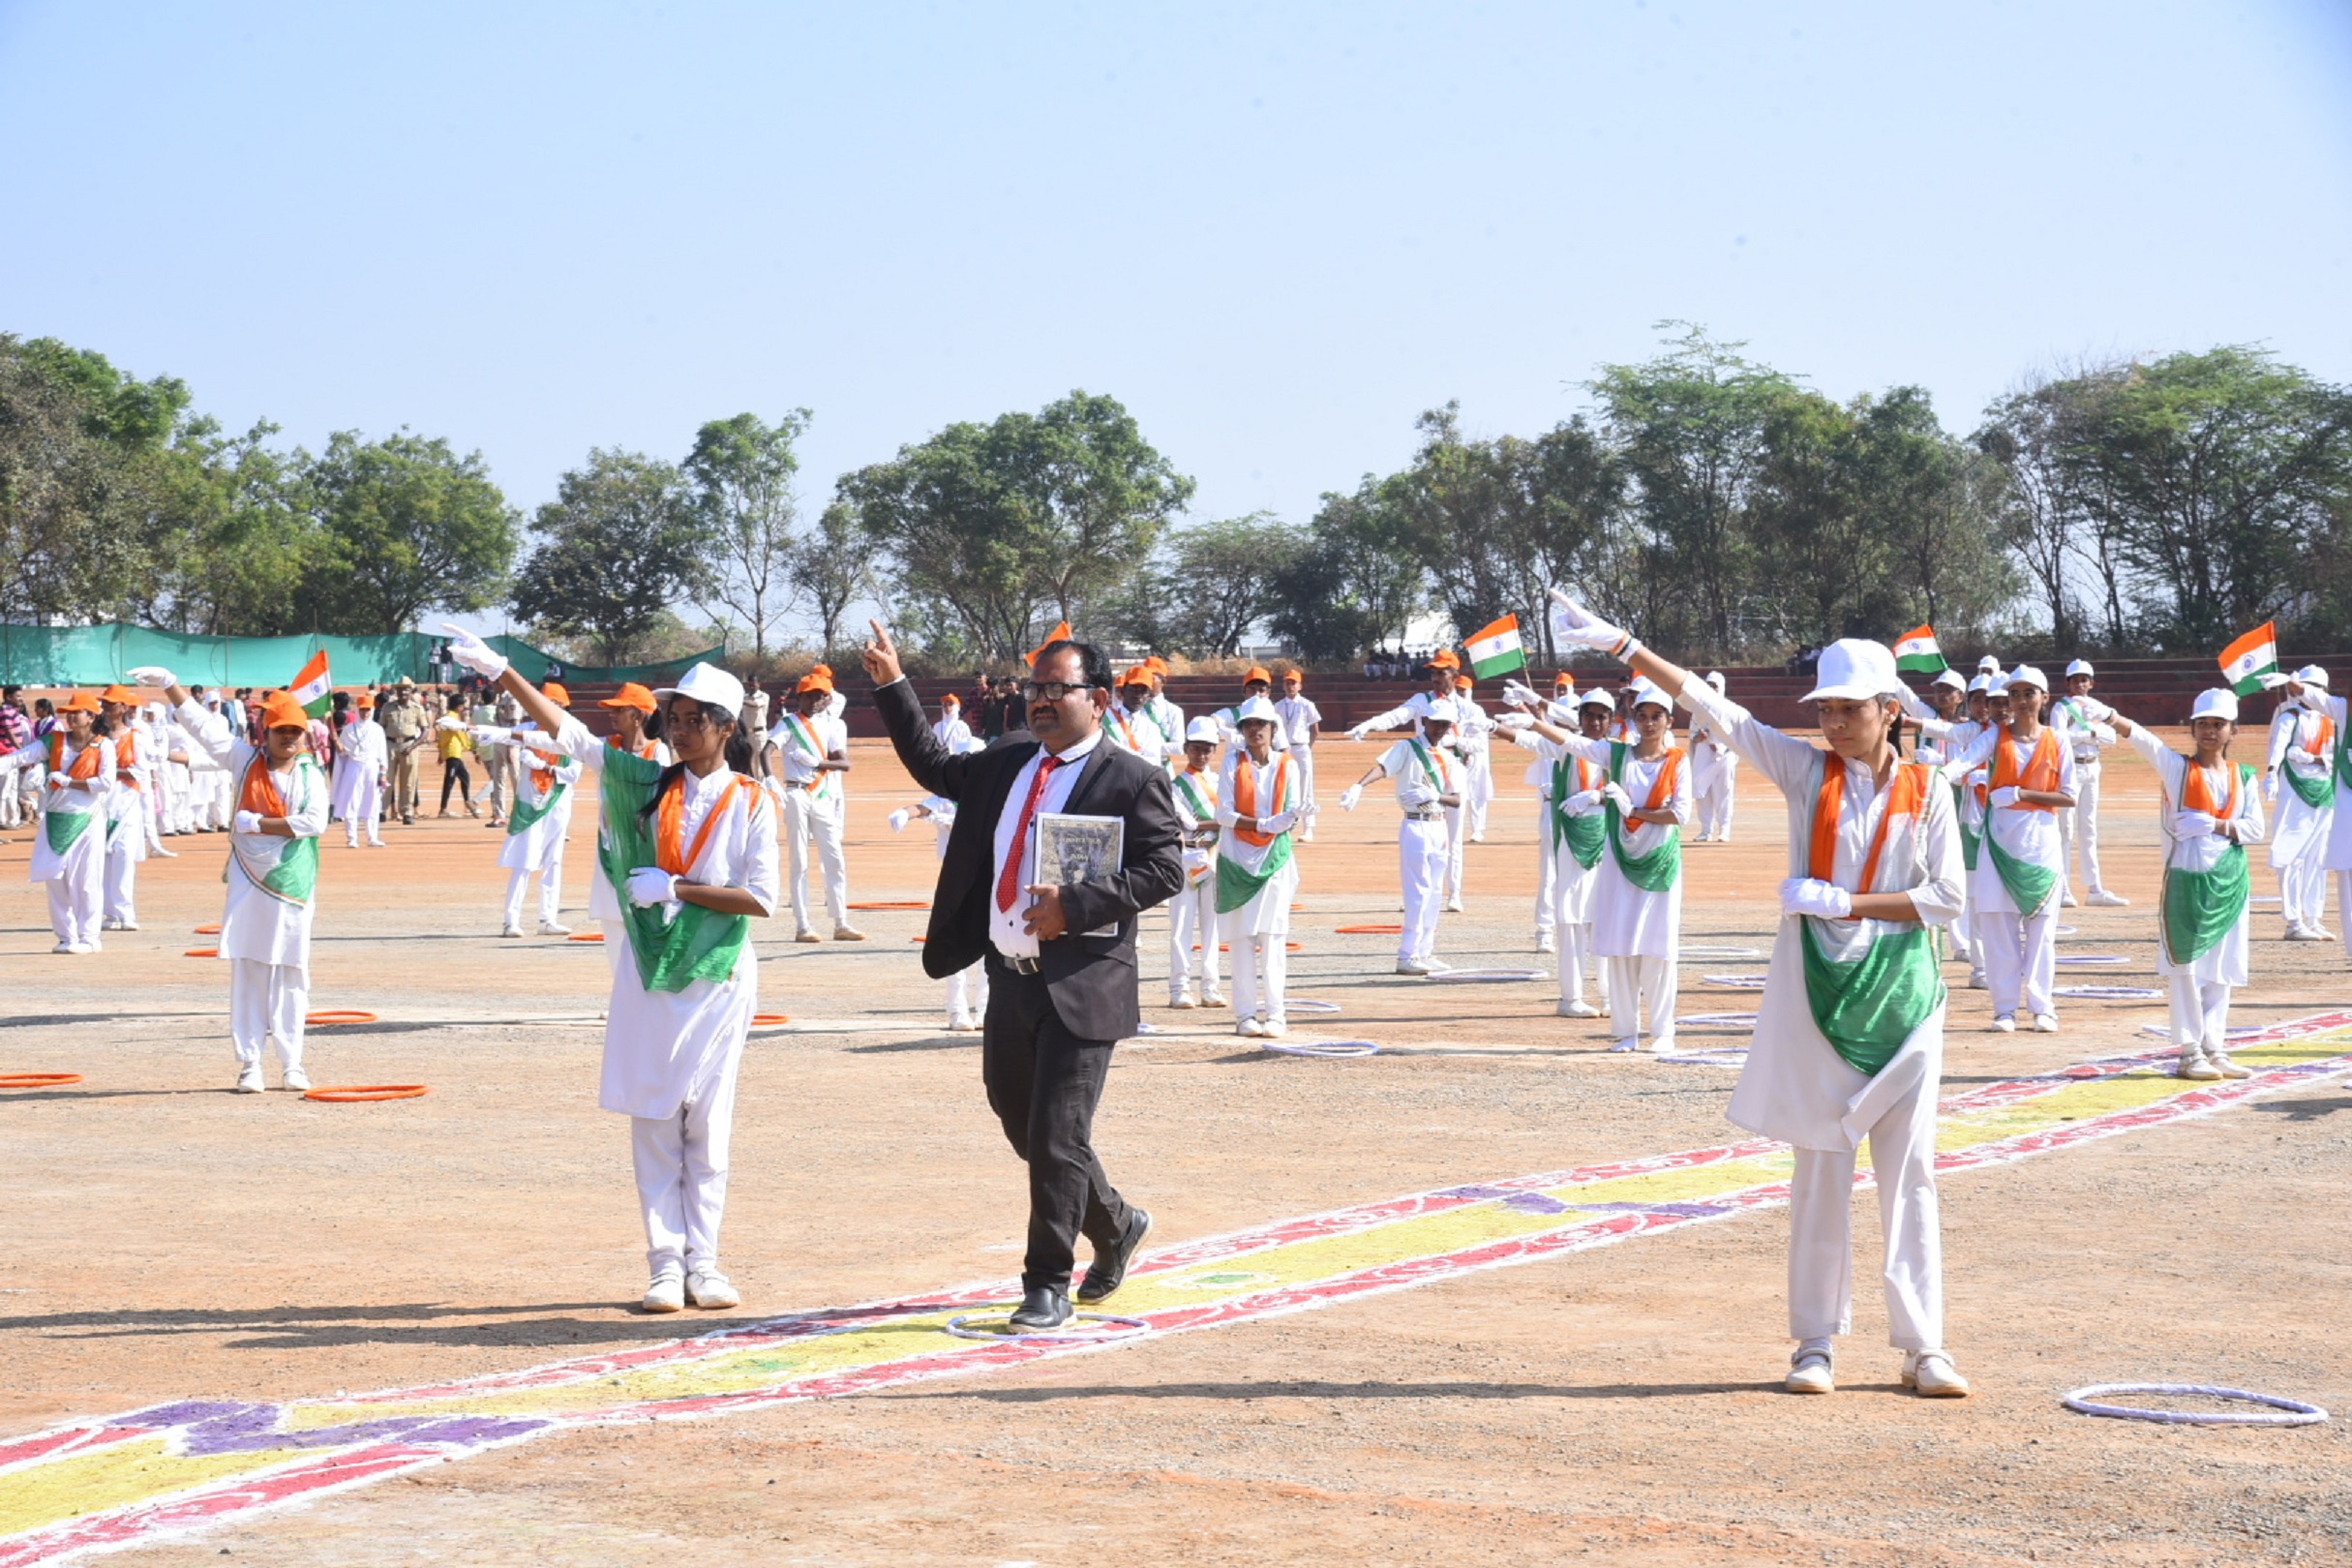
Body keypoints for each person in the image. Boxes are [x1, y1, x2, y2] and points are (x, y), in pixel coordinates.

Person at [1550, 599, 1970, 1399]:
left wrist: (1845, 903)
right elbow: (1719, 712)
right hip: (1818, 996)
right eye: (1827, 710)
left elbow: (1945, 898)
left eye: (1850, 709)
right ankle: (1814, 1343)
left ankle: (1925, 1346)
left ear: (1890, 710)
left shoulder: (1930, 789)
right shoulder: (1805, 771)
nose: (1835, 723)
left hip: (1907, 1001)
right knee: (1819, 1167)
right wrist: (1625, 645)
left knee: (1910, 1174)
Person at [862, 621, 1183, 1331]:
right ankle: (1118, 1222)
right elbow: (929, 761)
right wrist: (891, 682)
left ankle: (1047, 1283)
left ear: (1097, 699)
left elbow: (1166, 868)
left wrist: (1078, 904)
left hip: (1084, 980)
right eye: (1035, 688)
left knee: (1057, 1133)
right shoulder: (1007, 759)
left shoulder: (1132, 778)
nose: (1040, 701)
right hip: (1010, 977)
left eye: (1056, 689)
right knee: (1023, 1123)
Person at [448, 628, 778, 1313]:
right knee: (652, 1116)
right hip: (649, 972)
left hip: (717, 975)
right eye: (674, 720)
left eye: (693, 721)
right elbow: (569, 736)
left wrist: (677, 888)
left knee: (708, 1125)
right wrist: (505, 672)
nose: (679, 732)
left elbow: (762, 900)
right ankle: (664, 1265)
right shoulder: (643, 783)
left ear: (723, 728)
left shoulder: (751, 800)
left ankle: (705, 1264)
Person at [143, 671, 329, 1091]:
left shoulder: (309, 773)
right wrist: (171, 685)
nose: (288, 738)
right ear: (266, 732)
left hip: (293, 886)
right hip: (249, 881)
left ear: (303, 735)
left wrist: (258, 822)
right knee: (249, 969)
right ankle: (251, 1064)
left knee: (290, 971)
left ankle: (292, 1063)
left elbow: (314, 822)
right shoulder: (245, 758)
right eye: (281, 730)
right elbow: (204, 728)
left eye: (295, 731)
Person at [2104, 691, 2265, 1080]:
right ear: (2192, 729)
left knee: (2222, 969)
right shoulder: (2178, 769)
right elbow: (2145, 741)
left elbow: (2256, 829)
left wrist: (2215, 824)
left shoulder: (2244, 777)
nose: (2210, 731)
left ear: (2233, 731)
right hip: (2186, 880)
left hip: (2229, 882)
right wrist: (2110, 716)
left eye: (2218, 725)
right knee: (2187, 966)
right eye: (2203, 724)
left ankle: (2216, 1046)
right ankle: (2190, 1050)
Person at [1523, 676, 1689, 1052]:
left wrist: (1633, 810)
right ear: (1633, 718)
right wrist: (1532, 720)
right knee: (1620, 944)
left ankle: (1662, 1032)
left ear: (1668, 721)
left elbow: (1681, 814)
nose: (1649, 723)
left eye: (1657, 716)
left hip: (1660, 863)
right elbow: (1575, 742)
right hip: (1619, 862)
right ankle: (1627, 1030)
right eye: (1643, 715)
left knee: (1659, 948)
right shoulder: (1617, 754)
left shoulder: (1678, 761)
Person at [1941, 668, 2076, 1034]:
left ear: (2044, 697)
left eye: (2028, 693)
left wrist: (2021, 795)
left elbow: (2070, 795)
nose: (2020, 700)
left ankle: (2042, 1007)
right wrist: (1935, 778)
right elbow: (1961, 763)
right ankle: (2004, 1009)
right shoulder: (1994, 738)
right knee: (1999, 929)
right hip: (1999, 846)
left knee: (2041, 931)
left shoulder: (2057, 740)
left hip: (2041, 847)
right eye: (2014, 694)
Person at [1506, 687, 1620, 1018]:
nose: (1595, 722)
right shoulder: (1564, 750)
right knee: (1570, 919)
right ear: (1580, 718)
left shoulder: (1618, 753)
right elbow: (1527, 740)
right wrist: (1489, 726)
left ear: (1611, 722)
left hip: (1607, 843)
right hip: (1571, 841)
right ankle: (1571, 997)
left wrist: (1598, 797)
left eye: (1602, 716)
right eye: (1589, 715)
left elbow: (1630, 792)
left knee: (1603, 919)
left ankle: (1610, 995)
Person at [1336, 701, 1463, 977]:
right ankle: (1407, 954)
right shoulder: (1408, 748)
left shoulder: (1450, 756)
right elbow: (1383, 767)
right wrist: (1359, 786)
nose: (1440, 729)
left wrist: (1434, 796)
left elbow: (1456, 799)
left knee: (1434, 893)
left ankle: (1424, 951)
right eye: (1436, 723)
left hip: (1438, 824)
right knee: (1417, 892)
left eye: (1445, 724)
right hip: (1415, 824)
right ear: (1424, 721)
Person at [889, 737, 991, 1033]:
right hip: (955, 880)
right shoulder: (948, 794)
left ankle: (986, 1008)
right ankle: (957, 1010)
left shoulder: (993, 794)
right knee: (956, 944)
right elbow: (924, 807)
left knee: (990, 946)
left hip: (988, 876)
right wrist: (903, 814)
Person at [0, 690, 114, 952]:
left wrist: (69, 782)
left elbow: (105, 783)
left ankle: (89, 937)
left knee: (87, 880)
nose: (71, 717)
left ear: (91, 716)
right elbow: (19, 758)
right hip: (55, 819)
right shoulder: (54, 741)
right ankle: (66, 937)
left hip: (87, 820)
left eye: (77, 712)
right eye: (68, 712)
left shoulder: (103, 745)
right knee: (54, 878)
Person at [1216, 695, 1303, 1038]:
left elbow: (1293, 810)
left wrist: (1291, 818)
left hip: (1275, 860)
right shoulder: (1231, 763)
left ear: (1272, 729)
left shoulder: (1288, 764)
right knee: (1241, 940)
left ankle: (1277, 1013)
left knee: (1273, 937)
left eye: (1261, 725)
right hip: (1237, 861)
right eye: (1249, 724)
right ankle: (1246, 1015)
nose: (1255, 731)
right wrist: (1265, 824)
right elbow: (1222, 814)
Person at [766, 672, 861, 943]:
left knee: (834, 859)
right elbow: (765, 752)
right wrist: (771, 779)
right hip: (796, 793)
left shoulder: (831, 725)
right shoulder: (789, 723)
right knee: (799, 861)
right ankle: (803, 925)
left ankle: (841, 922)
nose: (815, 701)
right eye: (810, 696)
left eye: (820, 696)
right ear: (801, 697)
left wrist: (816, 763)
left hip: (822, 794)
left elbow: (845, 764)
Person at [494, 682, 584, 937]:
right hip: (531, 805)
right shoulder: (529, 730)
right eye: (544, 704)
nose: (548, 709)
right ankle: (511, 921)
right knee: (524, 861)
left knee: (553, 862)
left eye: (554, 704)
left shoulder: (572, 735)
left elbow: (572, 773)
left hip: (559, 804)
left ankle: (548, 919)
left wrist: (546, 768)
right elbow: (504, 734)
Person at [2279, 665, 2352, 959]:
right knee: (2348, 882)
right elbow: (2309, 695)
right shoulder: (2343, 710)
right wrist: (2291, 683)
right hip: (2349, 809)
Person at [2263, 667, 2336, 942]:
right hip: (2295, 789)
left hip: (2324, 791)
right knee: (2290, 854)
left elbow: (2336, 753)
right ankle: (2294, 921)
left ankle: (2313, 917)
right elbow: (2278, 747)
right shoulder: (2289, 715)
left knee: (2318, 857)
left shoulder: (2331, 719)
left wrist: (2314, 759)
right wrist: (2271, 773)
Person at [2050, 660, 2126, 908]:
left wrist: (2093, 733)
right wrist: (2091, 732)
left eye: (2084, 680)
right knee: (2065, 829)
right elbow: (2058, 739)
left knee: (2089, 828)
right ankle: (2062, 888)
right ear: (2067, 683)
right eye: (2075, 680)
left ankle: (2095, 888)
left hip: (2093, 765)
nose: (2080, 684)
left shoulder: (2096, 705)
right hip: (2070, 769)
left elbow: (2111, 737)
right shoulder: (2061, 708)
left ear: (2091, 683)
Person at [1164, 717, 1226, 1010]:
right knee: (1181, 928)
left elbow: (1228, 820)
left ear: (1214, 751)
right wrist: (1213, 823)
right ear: (1186, 748)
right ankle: (1179, 987)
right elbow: (1177, 823)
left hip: (1214, 858)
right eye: (1196, 748)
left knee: (1212, 929)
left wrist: (1205, 824)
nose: (1201, 755)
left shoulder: (1221, 783)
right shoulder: (1174, 786)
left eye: (1207, 749)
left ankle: (1210, 986)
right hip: (1186, 859)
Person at [97, 685, 153, 930]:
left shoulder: (135, 736)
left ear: (123, 707)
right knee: (104, 859)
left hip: (127, 803)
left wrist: (110, 772)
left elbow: (141, 770)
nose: (108, 708)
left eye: (112, 704)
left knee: (124, 855)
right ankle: (109, 913)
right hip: (101, 803)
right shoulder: (97, 737)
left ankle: (125, 911)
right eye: (105, 704)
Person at [1689, 671, 1739, 842]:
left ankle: (1724, 830)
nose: (1711, 689)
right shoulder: (1698, 711)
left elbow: (1737, 737)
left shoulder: (1730, 710)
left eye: (1715, 686)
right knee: (1702, 793)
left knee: (1723, 793)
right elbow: (1692, 735)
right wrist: (1699, 738)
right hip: (1703, 755)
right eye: (1709, 686)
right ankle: (1705, 830)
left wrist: (1721, 746)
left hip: (1724, 757)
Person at [333, 693, 389, 846]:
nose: (365, 713)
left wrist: (383, 773)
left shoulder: (377, 729)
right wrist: (337, 743)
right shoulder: (349, 730)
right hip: (353, 766)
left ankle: (373, 837)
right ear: (358, 710)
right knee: (352, 800)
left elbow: (382, 754)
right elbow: (342, 752)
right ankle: (352, 838)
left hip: (372, 766)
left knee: (373, 800)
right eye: (363, 710)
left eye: (368, 710)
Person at [1273, 670, 1321, 842]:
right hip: (1283, 749)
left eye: (1294, 683)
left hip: (1301, 747)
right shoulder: (1278, 706)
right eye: (1287, 683)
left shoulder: (1307, 704)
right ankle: (1286, 824)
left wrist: (1307, 747)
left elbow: (1315, 729)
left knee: (1305, 787)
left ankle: (1308, 828)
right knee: (1284, 786)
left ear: (1300, 686)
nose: (1290, 686)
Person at [1451, 674, 1495, 847]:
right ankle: (1456, 828)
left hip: (1476, 758)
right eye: (1458, 690)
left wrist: (1467, 750)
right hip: (1456, 757)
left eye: (1464, 690)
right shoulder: (1451, 709)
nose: (1461, 693)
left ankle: (1478, 829)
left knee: (1477, 793)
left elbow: (1478, 739)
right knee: (1456, 792)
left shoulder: (1476, 710)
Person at [377, 678, 427, 825]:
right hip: (390, 745)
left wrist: (412, 746)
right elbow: (381, 728)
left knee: (409, 781)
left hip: (409, 745)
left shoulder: (417, 708)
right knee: (386, 779)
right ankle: (382, 810)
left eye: (406, 689)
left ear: (411, 691)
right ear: (397, 691)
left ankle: (407, 812)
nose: (403, 692)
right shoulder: (387, 707)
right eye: (401, 689)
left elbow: (425, 730)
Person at [1106, 667, 1177, 761]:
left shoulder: (1151, 728)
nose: (1138, 695)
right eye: (1134, 689)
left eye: (1144, 691)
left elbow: (1153, 761)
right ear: (1123, 691)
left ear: (1148, 695)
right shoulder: (1105, 718)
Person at [435, 709, 479, 817]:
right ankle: (443, 809)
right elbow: (461, 735)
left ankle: (467, 802)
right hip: (452, 751)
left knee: (465, 777)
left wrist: (440, 751)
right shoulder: (453, 719)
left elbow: (441, 736)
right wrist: (471, 748)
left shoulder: (447, 717)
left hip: (454, 752)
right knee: (449, 781)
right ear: (459, 707)